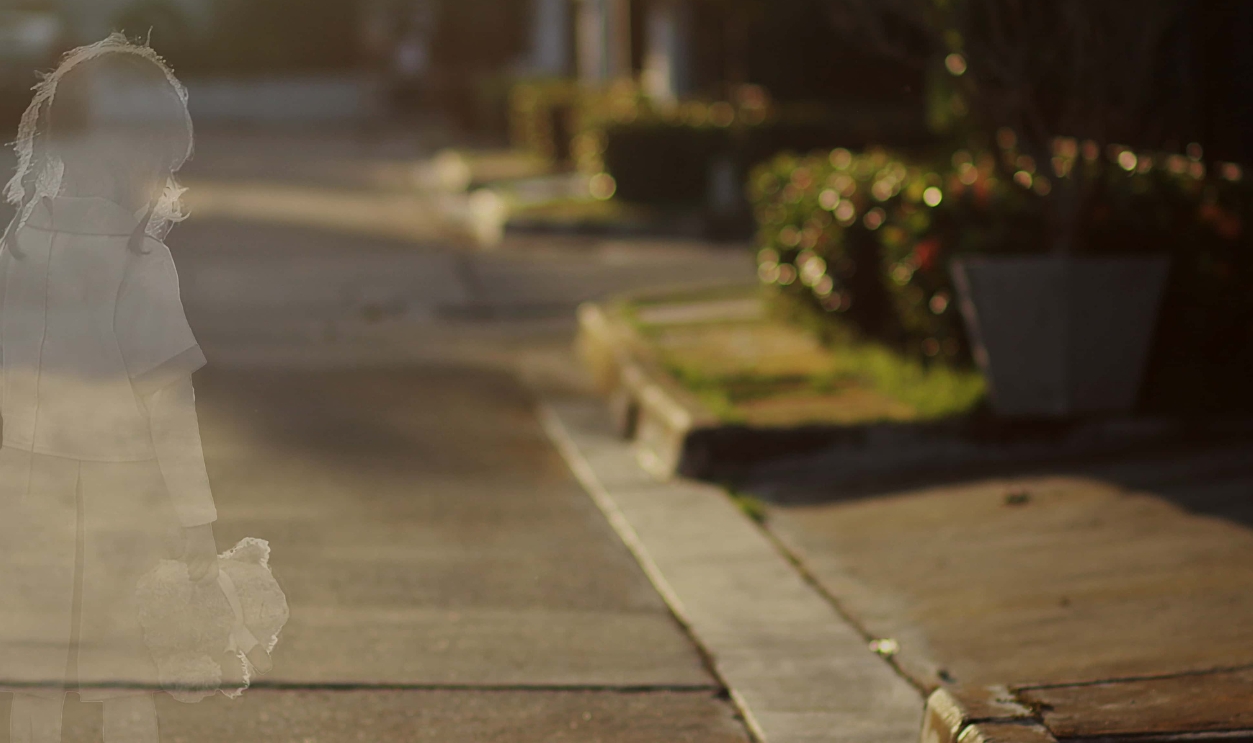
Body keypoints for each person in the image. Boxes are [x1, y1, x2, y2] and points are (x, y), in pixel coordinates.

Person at [0, 34, 218, 743]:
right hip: (121, 498)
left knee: (30, 682)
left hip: (19, 495)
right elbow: (170, 408)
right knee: (123, 683)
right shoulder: (140, 263)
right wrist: (196, 522)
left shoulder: (12, 252)